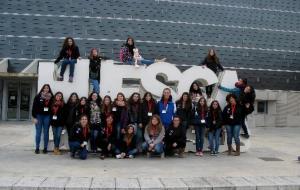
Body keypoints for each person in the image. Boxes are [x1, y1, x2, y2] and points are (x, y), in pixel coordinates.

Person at [32, 84, 53, 154]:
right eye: (45, 88)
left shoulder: (51, 97)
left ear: (49, 89)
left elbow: (53, 108)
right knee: (38, 132)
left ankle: (45, 148)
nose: (46, 89)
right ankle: (37, 148)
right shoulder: (38, 96)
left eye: (47, 88)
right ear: (43, 89)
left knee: (46, 132)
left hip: (47, 116)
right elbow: (34, 107)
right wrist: (34, 117)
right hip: (39, 116)